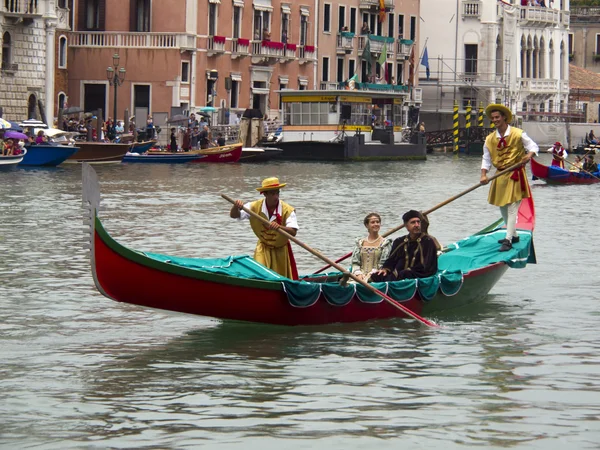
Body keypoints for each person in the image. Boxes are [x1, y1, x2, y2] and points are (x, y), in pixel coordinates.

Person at [480, 103, 538, 252]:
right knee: (502, 206)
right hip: (499, 174)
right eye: (493, 118)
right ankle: (514, 234)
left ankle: (508, 239)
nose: (495, 120)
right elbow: (486, 159)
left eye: (497, 117)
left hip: (515, 174)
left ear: (504, 117)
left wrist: (528, 155)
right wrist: (484, 175)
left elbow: (533, 147)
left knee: (512, 207)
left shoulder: (518, 133)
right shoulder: (490, 139)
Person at [230, 177, 298, 279]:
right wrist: (236, 206)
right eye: (272, 194)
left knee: (279, 279)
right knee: (258, 275)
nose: (276, 197)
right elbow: (234, 215)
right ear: (265, 194)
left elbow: (293, 232)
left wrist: (280, 227)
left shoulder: (287, 210)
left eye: (277, 193)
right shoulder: (253, 207)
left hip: (280, 250)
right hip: (263, 247)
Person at [370, 210, 438, 282]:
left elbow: (427, 266)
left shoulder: (428, 241)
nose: (417, 225)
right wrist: (385, 268)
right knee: (376, 276)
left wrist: (407, 271)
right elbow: (391, 260)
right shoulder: (399, 241)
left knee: (405, 273)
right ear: (406, 225)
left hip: (419, 273)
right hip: (399, 273)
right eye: (413, 222)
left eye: (418, 222)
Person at [350, 213, 393, 282]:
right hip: (359, 276)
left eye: (377, 222)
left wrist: (370, 275)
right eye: (372, 222)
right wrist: (358, 274)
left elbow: (383, 264)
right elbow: (355, 262)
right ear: (367, 225)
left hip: (376, 276)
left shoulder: (385, 243)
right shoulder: (360, 243)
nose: (376, 224)